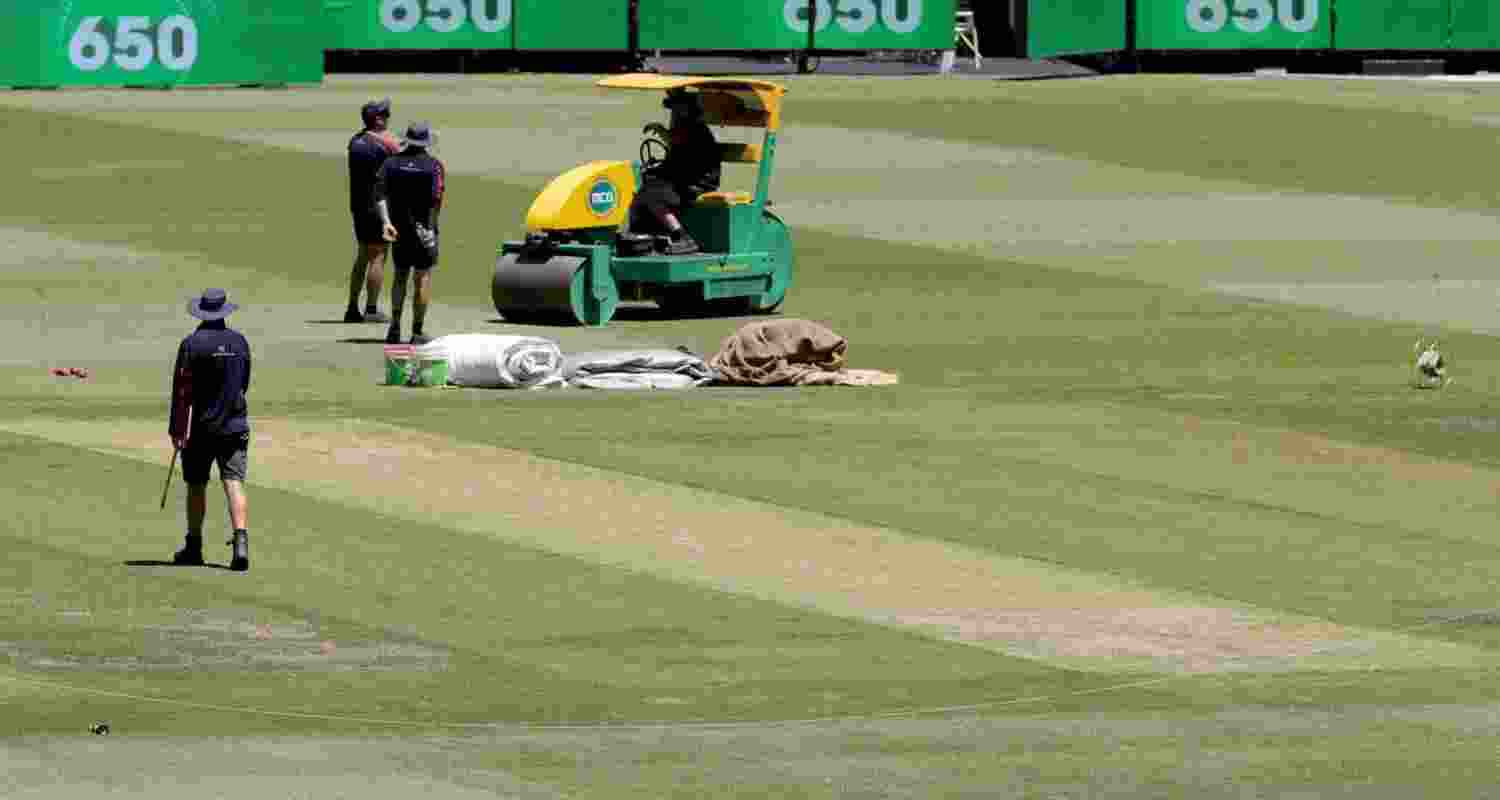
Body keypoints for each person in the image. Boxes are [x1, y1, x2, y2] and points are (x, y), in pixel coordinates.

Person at [169, 289, 252, 572]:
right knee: (234, 481)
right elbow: (244, 383)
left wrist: (177, 429)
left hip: (200, 429)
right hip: (234, 425)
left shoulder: (191, 344)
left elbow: (182, 391)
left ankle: (194, 546)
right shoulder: (240, 342)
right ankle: (241, 544)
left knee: (196, 485)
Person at [374, 121, 446, 345]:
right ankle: (417, 331)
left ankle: (394, 327)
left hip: (399, 229)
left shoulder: (391, 163)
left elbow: (379, 194)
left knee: (400, 276)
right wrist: (430, 229)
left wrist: (386, 222)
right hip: (424, 230)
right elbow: (436, 200)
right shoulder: (434, 166)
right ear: (426, 142)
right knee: (422, 278)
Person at [629, 90, 721, 256]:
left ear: (687, 110)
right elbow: (678, 160)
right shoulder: (686, 129)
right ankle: (644, 234)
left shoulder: (695, 130)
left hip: (699, 183)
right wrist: (656, 167)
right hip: (687, 179)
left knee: (651, 195)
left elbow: (683, 159)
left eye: (677, 109)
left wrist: (660, 130)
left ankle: (682, 237)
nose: (674, 113)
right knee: (643, 190)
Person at [345, 97, 400, 324]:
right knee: (378, 255)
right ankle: (371, 308)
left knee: (362, 255)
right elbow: (399, 157)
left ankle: (352, 307)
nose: (388, 118)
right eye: (385, 115)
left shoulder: (355, 141)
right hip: (377, 205)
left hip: (358, 205)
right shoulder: (384, 144)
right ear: (377, 120)